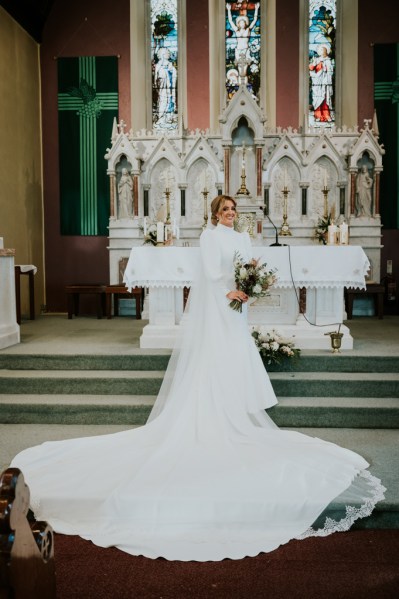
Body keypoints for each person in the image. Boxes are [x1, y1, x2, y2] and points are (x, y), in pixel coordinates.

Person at [10, 195, 384, 561]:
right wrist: (232, 289)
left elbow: (246, 264)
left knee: (235, 356)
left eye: (233, 210)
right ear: (214, 213)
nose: (230, 214)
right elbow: (210, 273)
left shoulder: (241, 236)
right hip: (220, 305)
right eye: (224, 210)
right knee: (216, 356)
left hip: (236, 310)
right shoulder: (210, 236)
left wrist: (249, 285)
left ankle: (232, 409)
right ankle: (212, 412)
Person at [309, 44, 334, 122]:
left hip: (326, 83)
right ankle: (318, 116)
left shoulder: (328, 61)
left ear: (326, 51)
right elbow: (310, 68)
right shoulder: (316, 60)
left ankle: (326, 115)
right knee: (318, 99)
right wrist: (313, 65)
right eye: (320, 50)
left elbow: (331, 72)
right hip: (317, 83)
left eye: (323, 50)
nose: (322, 52)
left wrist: (326, 70)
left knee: (325, 100)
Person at [154, 47, 177, 129]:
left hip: (169, 89)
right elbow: (156, 80)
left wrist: (171, 71)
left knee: (169, 101)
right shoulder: (158, 65)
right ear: (163, 55)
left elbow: (174, 75)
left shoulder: (170, 65)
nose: (169, 55)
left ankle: (168, 118)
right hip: (162, 89)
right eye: (167, 53)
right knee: (162, 102)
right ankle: (161, 119)